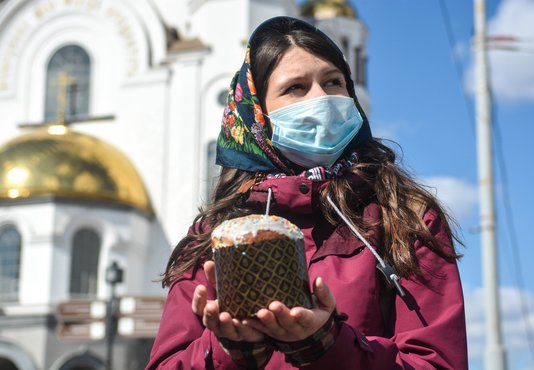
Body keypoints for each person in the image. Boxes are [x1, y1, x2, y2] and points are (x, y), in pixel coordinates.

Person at [146, 16, 468, 370]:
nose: (322, 98)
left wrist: (328, 345)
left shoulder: (403, 217)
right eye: (296, 88)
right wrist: (230, 348)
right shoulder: (214, 234)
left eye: (333, 82)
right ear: (258, 114)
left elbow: (437, 362)